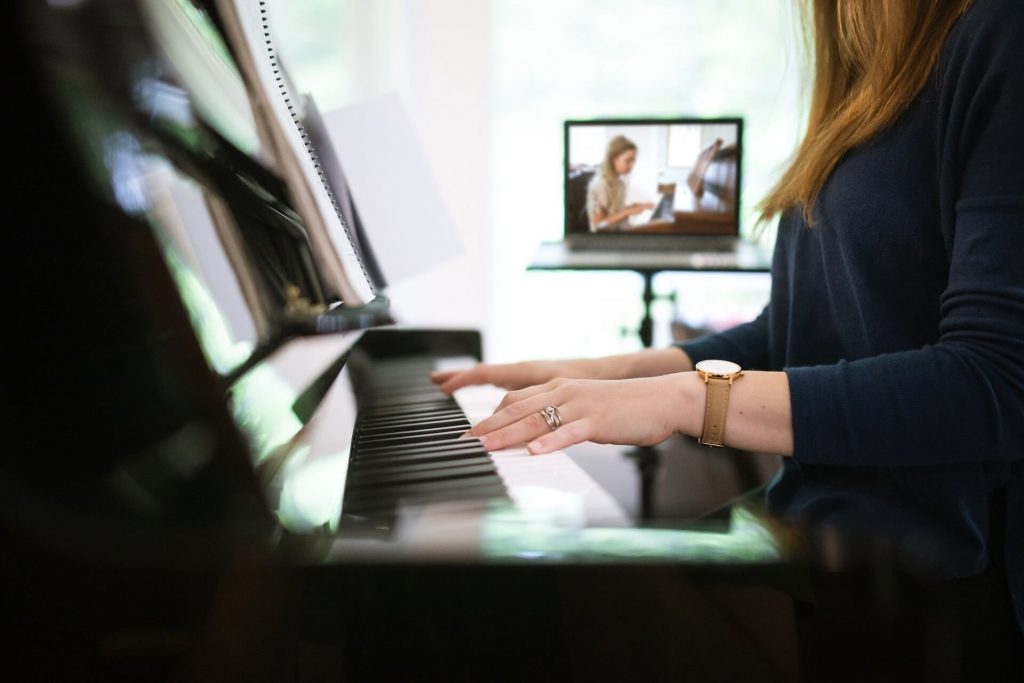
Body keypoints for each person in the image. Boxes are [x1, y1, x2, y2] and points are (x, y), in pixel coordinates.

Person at [434, 0, 1024, 669]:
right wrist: (605, 373)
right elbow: (798, 333)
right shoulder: (869, 76)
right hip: (817, 532)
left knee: (545, 595)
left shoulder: (998, 32)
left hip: (926, 583)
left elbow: (996, 380)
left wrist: (688, 398)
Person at [586, 134, 655, 231]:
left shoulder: (619, 182)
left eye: (633, 161)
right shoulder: (599, 185)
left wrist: (636, 207)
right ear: (614, 159)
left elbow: (614, 212)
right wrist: (627, 212)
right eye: (628, 161)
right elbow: (600, 225)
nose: (632, 166)